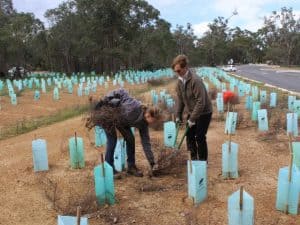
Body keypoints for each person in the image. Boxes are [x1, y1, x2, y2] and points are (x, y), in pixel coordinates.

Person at [88, 88, 161, 177]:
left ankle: (131, 167)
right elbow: (121, 92)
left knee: (130, 139)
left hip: (121, 119)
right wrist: (105, 99)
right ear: (149, 115)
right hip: (108, 114)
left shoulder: (144, 123)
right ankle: (109, 168)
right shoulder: (133, 108)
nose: (154, 123)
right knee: (112, 139)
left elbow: (146, 143)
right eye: (154, 120)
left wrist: (152, 162)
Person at [172, 55, 213, 161]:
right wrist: (178, 116)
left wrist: (192, 119)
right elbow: (180, 100)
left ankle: (203, 161)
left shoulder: (195, 80)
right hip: (192, 111)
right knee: (189, 135)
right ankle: (194, 159)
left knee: (199, 136)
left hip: (204, 112)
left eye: (179, 70)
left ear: (185, 67)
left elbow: (201, 102)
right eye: (175, 71)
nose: (177, 73)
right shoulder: (179, 82)